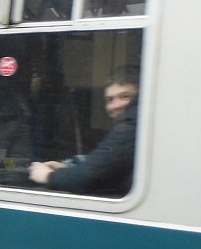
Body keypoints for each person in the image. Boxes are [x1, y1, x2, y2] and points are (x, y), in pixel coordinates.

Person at [29, 67, 139, 195]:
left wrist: (48, 175)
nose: (115, 105)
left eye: (125, 96)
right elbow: (108, 169)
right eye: (110, 100)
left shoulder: (131, 124)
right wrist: (67, 168)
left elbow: (90, 177)